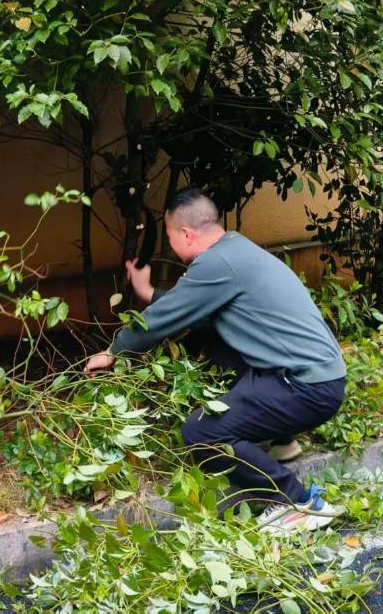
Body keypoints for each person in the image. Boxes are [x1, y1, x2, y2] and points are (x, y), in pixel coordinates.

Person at [85, 188, 346, 534]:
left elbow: (164, 318)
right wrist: (151, 294)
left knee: (202, 433)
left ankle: (294, 502)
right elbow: (195, 310)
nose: (171, 241)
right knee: (211, 336)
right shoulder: (235, 250)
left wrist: (113, 351)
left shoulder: (216, 263)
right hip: (314, 377)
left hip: (306, 386)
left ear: (186, 234)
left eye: (169, 235)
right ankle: (283, 439)